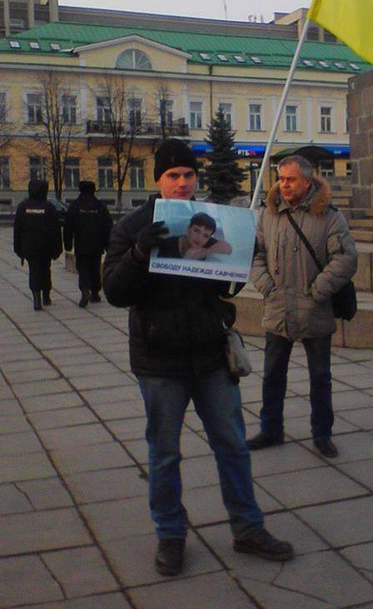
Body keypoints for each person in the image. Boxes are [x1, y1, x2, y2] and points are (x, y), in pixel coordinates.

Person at [103, 138, 293, 578]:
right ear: (158, 180)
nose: (183, 182)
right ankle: (170, 535)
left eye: (189, 175)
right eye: (173, 175)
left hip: (210, 357)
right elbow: (113, 291)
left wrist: (236, 268)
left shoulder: (213, 221)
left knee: (232, 446)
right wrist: (137, 254)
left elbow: (223, 288)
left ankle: (248, 528)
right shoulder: (134, 226)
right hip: (159, 361)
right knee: (165, 453)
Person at [248, 154, 357, 459]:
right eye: (281, 178)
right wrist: (266, 286)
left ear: (307, 182)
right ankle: (271, 429)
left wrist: (318, 290)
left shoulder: (330, 216)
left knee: (320, 376)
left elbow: (345, 258)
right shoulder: (268, 214)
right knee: (272, 375)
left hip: (314, 309)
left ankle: (322, 433)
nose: (284, 184)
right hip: (278, 308)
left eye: (290, 179)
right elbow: (255, 254)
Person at [13, 179, 63, 311]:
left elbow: (17, 229)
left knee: (34, 271)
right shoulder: (49, 207)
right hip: (45, 246)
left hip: (29, 246)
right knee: (45, 270)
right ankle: (46, 295)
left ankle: (36, 299)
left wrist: (18, 248)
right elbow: (56, 230)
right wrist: (58, 248)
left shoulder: (23, 207)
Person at [63, 181, 113, 307]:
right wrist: (108, 245)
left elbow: (68, 226)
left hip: (81, 244)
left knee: (83, 268)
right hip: (97, 244)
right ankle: (95, 293)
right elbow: (108, 226)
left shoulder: (75, 205)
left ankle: (85, 290)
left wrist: (68, 244)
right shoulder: (100, 205)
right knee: (95, 269)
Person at [158, 212, 232, 260]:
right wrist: (187, 259)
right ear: (188, 229)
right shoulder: (169, 244)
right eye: (196, 231)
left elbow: (227, 248)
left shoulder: (205, 242)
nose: (199, 238)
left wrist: (203, 253)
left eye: (206, 235)